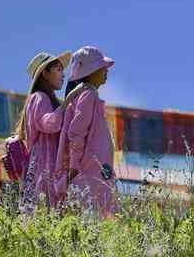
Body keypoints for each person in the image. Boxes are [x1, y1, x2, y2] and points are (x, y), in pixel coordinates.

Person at [54, 45, 118, 216]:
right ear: (89, 71)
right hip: (89, 168)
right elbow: (76, 132)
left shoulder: (87, 95)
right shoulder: (88, 95)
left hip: (93, 168)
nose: (106, 70)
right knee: (93, 212)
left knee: (94, 211)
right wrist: (74, 166)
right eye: (101, 67)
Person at [14, 50, 72, 209]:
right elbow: (50, 124)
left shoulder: (45, 99)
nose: (63, 74)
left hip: (47, 170)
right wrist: (68, 103)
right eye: (59, 69)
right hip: (43, 169)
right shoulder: (39, 97)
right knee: (43, 212)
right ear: (45, 73)